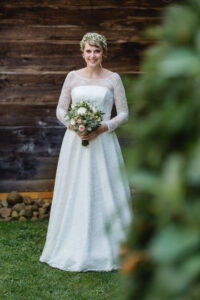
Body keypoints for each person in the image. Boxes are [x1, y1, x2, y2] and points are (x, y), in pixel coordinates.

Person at [39, 32, 133, 272]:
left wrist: (103, 127)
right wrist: (74, 125)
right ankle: (72, 243)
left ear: (103, 53)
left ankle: (110, 245)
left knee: (104, 186)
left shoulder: (113, 79)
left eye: (97, 51)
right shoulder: (72, 77)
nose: (92, 55)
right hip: (76, 142)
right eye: (89, 51)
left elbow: (123, 113)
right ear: (82, 52)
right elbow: (61, 109)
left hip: (103, 142)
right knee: (76, 187)